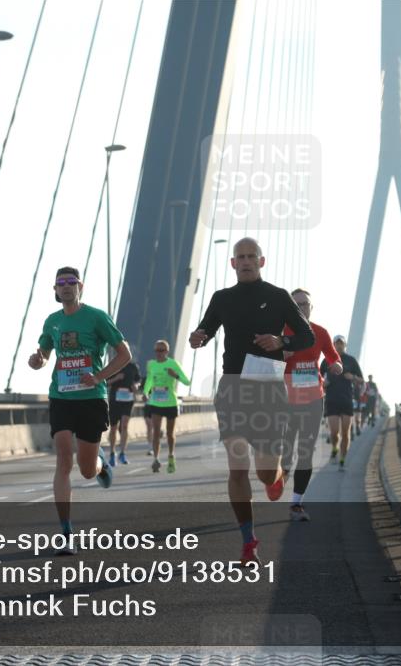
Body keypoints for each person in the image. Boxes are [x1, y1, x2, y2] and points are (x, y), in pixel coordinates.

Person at [189, 237, 314, 564]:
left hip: (267, 389)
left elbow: (307, 336)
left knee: (264, 473)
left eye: (251, 256)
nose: (245, 261)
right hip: (232, 389)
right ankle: (248, 541)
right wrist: (197, 337)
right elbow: (205, 331)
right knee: (238, 465)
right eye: (240, 257)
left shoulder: (278, 296)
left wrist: (281, 341)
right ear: (233, 263)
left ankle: (277, 475)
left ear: (261, 261)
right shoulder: (222, 298)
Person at [28, 267, 131, 554]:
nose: (66, 286)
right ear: (55, 290)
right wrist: (37, 361)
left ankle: (100, 463)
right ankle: (66, 533)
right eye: (60, 283)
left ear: (80, 286)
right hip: (61, 396)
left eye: (71, 282)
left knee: (86, 471)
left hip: (91, 399)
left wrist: (99, 377)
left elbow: (125, 354)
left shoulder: (96, 317)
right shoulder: (52, 321)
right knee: (63, 460)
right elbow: (43, 355)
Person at [280, 288, 342, 522]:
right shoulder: (280, 332)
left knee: (306, 451)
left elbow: (333, 356)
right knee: (286, 448)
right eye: (296, 304)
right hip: (286, 399)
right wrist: (280, 356)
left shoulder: (321, 332)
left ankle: (296, 503)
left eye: (305, 304)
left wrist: (336, 365)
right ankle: (283, 468)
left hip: (314, 398)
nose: (301, 308)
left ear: (311, 308)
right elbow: (262, 361)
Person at [143, 339, 191, 473]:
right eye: (156, 350)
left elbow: (187, 382)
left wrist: (175, 375)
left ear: (167, 352)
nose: (158, 353)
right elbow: (149, 380)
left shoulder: (173, 364)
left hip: (170, 403)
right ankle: (156, 459)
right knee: (156, 432)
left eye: (161, 350)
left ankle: (171, 456)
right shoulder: (151, 364)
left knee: (170, 433)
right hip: (155, 402)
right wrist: (145, 392)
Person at [321, 335, 363, 470]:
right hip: (331, 400)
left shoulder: (351, 360)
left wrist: (353, 377)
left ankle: (342, 460)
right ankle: (335, 448)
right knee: (334, 432)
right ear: (333, 345)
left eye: (341, 343)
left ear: (345, 345)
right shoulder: (326, 360)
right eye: (337, 343)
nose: (339, 345)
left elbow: (362, 380)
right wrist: (323, 383)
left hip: (346, 400)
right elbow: (317, 377)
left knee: (345, 432)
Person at [106, 353, 141, 466]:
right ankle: (112, 453)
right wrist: (116, 378)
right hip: (115, 400)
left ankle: (122, 453)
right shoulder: (112, 366)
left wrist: (136, 386)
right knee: (114, 427)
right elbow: (105, 383)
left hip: (128, 399)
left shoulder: (133, 367)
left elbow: (138, 381)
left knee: (124, 426)